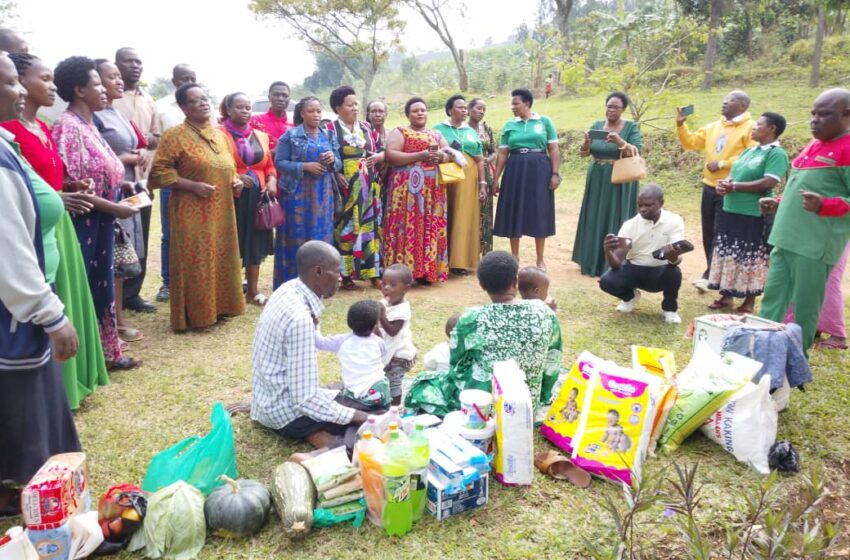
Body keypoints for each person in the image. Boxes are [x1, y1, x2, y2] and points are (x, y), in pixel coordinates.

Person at [1, 52, 109, 408]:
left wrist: (69, 186)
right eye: (41, 79)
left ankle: (69, 386)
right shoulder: (12, 132)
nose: (50, 87)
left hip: (54, 229)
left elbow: (46, 179)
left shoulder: (39, 128)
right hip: (38, 237)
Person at [0, 51, 80, 516]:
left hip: (16, 310)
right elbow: (9, 252)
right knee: (28, 426)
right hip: (16, 317)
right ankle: (38, 503)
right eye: (11, 83)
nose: (19, 91)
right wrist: (50, 313)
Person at [51, 55, 141, 370]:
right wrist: (113, 205)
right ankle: (88, 358)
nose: (104, 90)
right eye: (97, 84)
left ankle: (105, 353)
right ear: (79, 90)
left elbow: (102, 171)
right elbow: (75, 187)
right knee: (87, 288)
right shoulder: (68, 126)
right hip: (85, 224)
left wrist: (122, 188)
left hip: (102, 222)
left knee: (101, 285)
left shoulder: (90, 124)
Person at [405, 251, 563, 416]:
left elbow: (455, 361)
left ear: (481, 285)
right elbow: (552, 361)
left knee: (422, 383)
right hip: (527, 403)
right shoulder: (544, 312)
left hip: (482, 403)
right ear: (515, 282)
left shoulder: (472, 318)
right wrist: (542, 398)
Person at [251, 240, 369, 450]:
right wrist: (361, 417)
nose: (341, 277)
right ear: (318, 271)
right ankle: (326, 444)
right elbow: (305, 399)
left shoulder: (288, 289)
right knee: (368, 405)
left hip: (266, 401)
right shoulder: (300, 319)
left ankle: (320, 435)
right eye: (336, 271)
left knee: (351, 394)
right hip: (284, 415)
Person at [148, 83, 245, 331]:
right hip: (192, 210)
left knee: (221, 258)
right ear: (183, 107)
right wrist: (192, 186)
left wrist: (234, 180)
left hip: (222, 210)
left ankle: (221, 308)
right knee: (196, 261)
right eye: (195, 101)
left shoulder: (220, 135)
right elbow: (159, 173)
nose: (203, 103)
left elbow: (229, 165)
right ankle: (195, 316)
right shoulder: (174, 136)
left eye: (205, 99)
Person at [759, 88, 850, 352]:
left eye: (824, 114)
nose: (815, 120)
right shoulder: (814, 144)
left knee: (804, 308)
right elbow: (800, 187)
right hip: (785, 238)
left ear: (846, 115)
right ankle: (765, 352)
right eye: (813, 114)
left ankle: (794, 359)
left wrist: (825, 205)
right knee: (772, 301)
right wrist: (777, 203)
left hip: (814, 245)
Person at [707, 112, 789, 314]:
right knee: (730, 253)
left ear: (772, 129)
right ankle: (726, 296)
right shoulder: (749, 151)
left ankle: (749, 302)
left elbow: (769, 182)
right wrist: (724, 185)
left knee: (752, 256)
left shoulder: (776, 154)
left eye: (758, 125)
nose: (753, 127)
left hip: (753, 212)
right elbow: (734, 176)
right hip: (730, 209)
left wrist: (734, 187)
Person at [676, 90, 756, 292]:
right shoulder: (714, 126)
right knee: (708, 230)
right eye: (724, 100)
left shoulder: (751, 128)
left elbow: (752, 157)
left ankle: (713, 274)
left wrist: (722, 163)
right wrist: (681, 124)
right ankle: (711, 271)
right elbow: (691, 143)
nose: (725, 103)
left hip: (731, 188)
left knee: (723, 231)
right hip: (709, 186)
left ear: (743, 106)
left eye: (731, 101)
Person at [94, 59, 149, 344]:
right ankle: (111, 321)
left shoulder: (115, 112)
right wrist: (126, 158)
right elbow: (94, 157)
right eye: (111, 77)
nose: (118, 82)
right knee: (112, 256)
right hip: (106, 194)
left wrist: (136, 155)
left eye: (118, 77)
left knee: (123, 253)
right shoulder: (94, 117)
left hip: (127, 187)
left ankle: (119, 317)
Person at [273, 96, 341, 287]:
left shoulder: (328, 135)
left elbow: (339, 163)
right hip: (297, 196)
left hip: (322, 195)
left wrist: (332, 160)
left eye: (319, 111)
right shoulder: (290, 136)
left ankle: (320, 284)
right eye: (311, 111)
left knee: (321, 237)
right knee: (297, 238)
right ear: (302, 113)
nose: (316, 115)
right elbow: (280, 162)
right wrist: (305, 166)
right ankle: (291, 283)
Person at [573, 92, 643, 277]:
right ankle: (590, 261)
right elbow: (584, 154)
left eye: (615, 107)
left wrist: (620, 142)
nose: (611, 110)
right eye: (609, 106)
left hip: (619, 180)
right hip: (597, 178)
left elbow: (637, 153)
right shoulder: (597, 125)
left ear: (623, 109)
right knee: (595, 216)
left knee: (616, 217)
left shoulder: (631, 127)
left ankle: (614, 261)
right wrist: (586, 143)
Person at [383, 96, 451, 284]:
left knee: (429, 225)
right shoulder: (400, 131)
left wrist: (441, 157)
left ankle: (427, 272)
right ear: (408, 115)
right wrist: (420, 155)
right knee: (407, 226)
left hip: (432, 192)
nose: (420, 113)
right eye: (415, 111)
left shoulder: (436, 133)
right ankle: (403, 273)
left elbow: (448, 153)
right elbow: (390, 155)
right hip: (406, 192)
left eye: (423, 110)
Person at [599, 185, 688, 324]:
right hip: (634, 268)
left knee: (674, 273)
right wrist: (608, 252)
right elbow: (616, 263)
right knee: (606, 281)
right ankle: (630, 297)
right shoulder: (630, 225)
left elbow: (677, 257)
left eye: (648, 205)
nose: (643, 209)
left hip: (661, 271)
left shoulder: (674, 221)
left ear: (661, 203)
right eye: (640, 205)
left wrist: (673, 257)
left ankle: (670, 309)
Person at [493, 88, 561, 270]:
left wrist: (555, 173)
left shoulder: (544, 121)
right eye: (512, 103)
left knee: (539, 210)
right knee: (514, 210)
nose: (512, 107)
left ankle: (540, 259)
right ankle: (514, 257)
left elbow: (553, 149)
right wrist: (495, 178)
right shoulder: (509, 125)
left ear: (527, 104)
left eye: (516, 103)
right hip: (515, 169)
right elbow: (502, 153)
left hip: (539, 169)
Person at [112, 47, 158, 313]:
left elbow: (155, 137)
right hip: (118, 180)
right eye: (129, 61)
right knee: (120, 235)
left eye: (139, 62)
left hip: (141, 181)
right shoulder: (110, 100)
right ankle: (116, 291)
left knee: (140, 234)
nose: (135, 66)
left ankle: (132, 294)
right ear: (117, 64)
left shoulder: (148, 99)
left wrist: (143, 145)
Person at [219, 92, 276, 306]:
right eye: (239, 107)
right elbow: (217, 164)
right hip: (231, 196)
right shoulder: (219, 134)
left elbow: (269, 164)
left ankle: (252, 291)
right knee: (233, 242)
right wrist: (235, 176)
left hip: (258, 197)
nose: (244, 111)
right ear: (229, 109)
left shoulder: (260, 135)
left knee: (255, 242)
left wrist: (271, 181)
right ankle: (230, 292)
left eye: (248, 107)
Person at [327, 86, 384, 289]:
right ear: (338, 108)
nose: (355, 108)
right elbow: (328, 157)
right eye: (350, 105)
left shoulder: (367, 128)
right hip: (346, 190)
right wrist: (336, 173)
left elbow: (381, 150)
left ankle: (373, 273)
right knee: (346, 230)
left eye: (356, 104)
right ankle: (346, 275)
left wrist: (379, 156)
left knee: (370, 228)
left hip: (369, 187)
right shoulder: (331, 129)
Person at [154, 63, 197, 304]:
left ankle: (194, 281)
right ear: (174, 81)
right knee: (171, 234)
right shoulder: (161, 108)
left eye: (192, 77)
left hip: (203, 184)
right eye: (184, 78)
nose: (188, 81)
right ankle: (169, 283)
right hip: (174, 183)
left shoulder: (205, 106)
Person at [434, 94, 487, 274]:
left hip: (469, 178)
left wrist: (482, 183)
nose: (464, 110)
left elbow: (480, 160)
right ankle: (441, 260)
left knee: (464, 218)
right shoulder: (439, 129)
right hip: (446, 176)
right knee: (446, 215)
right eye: (460, 107)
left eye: (465, 108)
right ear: (450, 110)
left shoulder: (471, 132)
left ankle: (460, 261)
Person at [315, 299, 391, 410]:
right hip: (381, 390)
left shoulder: (341, 341)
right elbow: (384, 351)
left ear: (349, 322)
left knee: (336, 403)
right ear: (375, 325)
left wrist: (316, 325)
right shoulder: (378, 342)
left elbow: (319, 343)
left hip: (356, 396)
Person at [378, 263, 417, 406]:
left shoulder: (402, 310)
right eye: (384, 284)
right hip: (390, 352)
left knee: (394, 384)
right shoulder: (387, 304)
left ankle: (396, 409)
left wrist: (381, 316)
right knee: (386, 380)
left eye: (392, 285)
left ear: (406, 289)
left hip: (399, 357)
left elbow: (393, 331)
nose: (386, 288)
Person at [467, 98, 497, 256]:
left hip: (485, 175)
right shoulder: (462, 129)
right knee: (468, 211)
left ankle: (485, 252)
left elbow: (494, 151)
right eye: (478, 108)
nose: (481, 111)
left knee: (485, 213)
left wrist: (487, 159)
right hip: (467, 174)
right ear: (469, 109)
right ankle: (468, 251)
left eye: (484, 109)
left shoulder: (487, 129)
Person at [250, 81, 291, 152]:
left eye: (285, 96)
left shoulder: (295, 125)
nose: (280, 99)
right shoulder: (256, 121)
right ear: (269, 97)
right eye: (276, 95)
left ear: (289, 99)